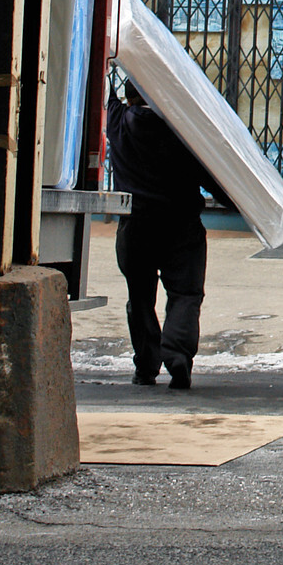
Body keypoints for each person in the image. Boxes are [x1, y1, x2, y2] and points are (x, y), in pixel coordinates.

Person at [108, 79, 232, 389]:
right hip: (181, 226)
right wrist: (238, 203)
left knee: (140, 298)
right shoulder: (183, 133)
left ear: (130, 98)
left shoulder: (118, 123)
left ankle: (146, 367)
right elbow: (212, 175)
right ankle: (177, 357)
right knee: (186, 295)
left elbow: (103, 92)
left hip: (135, 226)